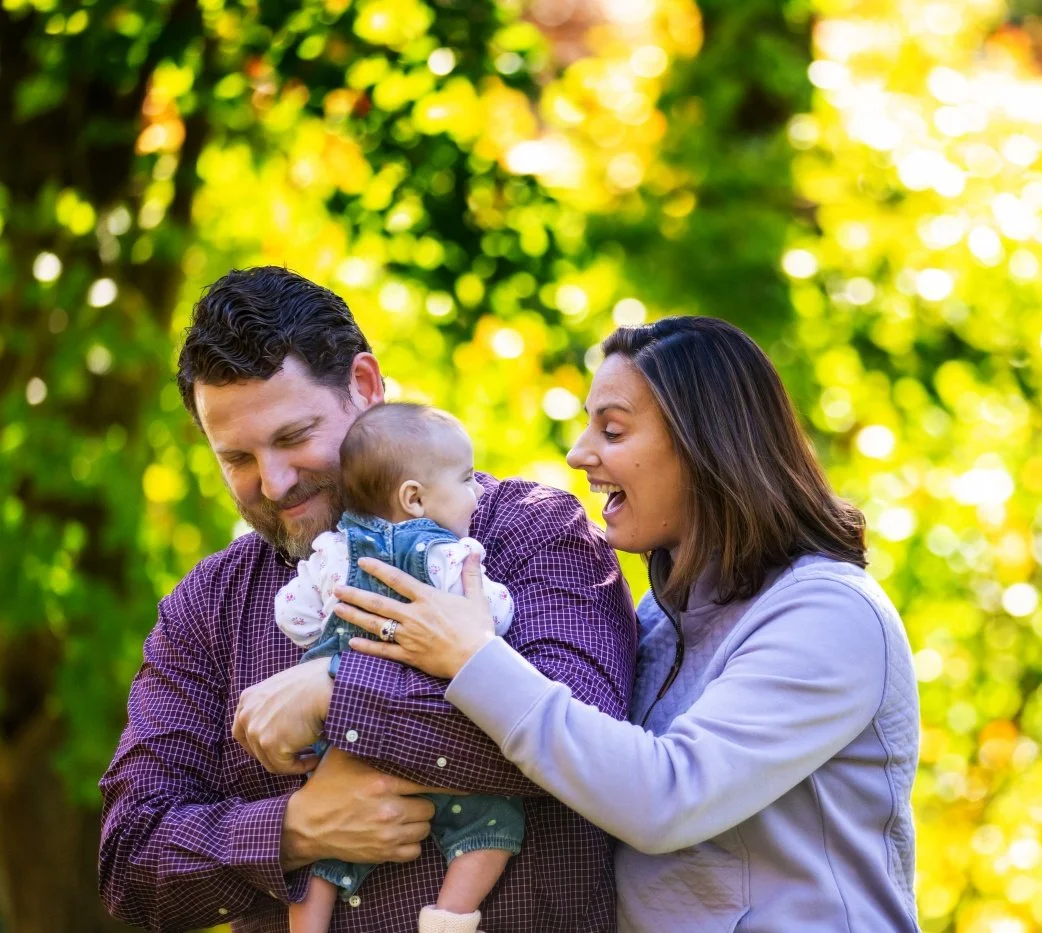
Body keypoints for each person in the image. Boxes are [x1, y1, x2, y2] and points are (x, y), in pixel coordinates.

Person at [332, 316, 921, 931]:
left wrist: (473, 657)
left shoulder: (829, 615)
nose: (579, 453)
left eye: (611, 430)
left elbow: (668, 798)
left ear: (706, 445)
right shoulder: (661, 624)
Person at [98, 266, 636, 933]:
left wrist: (339, 690)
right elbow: (131, 859)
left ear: (366, 385)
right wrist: (294, 828)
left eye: (293, 437)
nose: (273, 481)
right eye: (236, 456)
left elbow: (593, 741)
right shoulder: (207, 610)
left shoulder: (530, 531)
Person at [277, 403, 520, 933]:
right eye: (464, 479)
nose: (477, 492)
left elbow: (293, 615)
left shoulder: (334, 551)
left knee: (322, 847)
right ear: (414, 497)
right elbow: (493, 615)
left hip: (346, 743)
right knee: (492, 828)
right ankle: (449, 918)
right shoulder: (448, 555)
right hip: (441, 735)